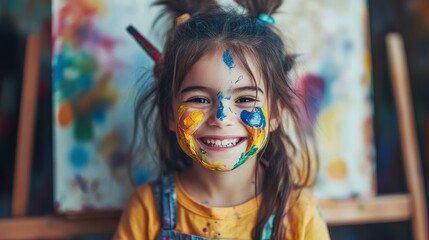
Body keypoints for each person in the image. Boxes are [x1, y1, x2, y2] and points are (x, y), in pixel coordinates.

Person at [115, 0, 330, 239]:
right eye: (199, 99)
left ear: (275, 115)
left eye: (246, 99)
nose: (221, 118)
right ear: (169, 113)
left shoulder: (298, 213)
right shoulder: (147, 210)